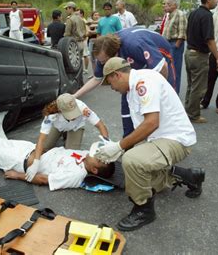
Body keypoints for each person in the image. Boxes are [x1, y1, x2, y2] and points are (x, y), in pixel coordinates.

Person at [94, 57, 205, 231]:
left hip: (176, 139)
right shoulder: (132, 88)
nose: (112, 89)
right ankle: (190, 176)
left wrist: (119, 147)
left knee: (131, 161)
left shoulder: (142, 83)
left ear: (116, 75)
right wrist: (121, 147)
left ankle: (144, 210)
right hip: (160, 138)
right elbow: (142, 128)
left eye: (110, 83)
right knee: (138, 171)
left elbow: (152, 123)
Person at [73, 28, 176, 137]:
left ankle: (165, 138)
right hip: (135, 64)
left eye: (103, 61)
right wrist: (75, 95)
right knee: (128, 96)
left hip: (160, 57)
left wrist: (155, 94)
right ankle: (128, 138)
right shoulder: (103, 54)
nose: (101, 63)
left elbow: (162, 67)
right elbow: (96, 79)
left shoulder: (134, 45)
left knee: (158, 101)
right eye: (100, 61)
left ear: (115, 54)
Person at [0, 132, 115, 190]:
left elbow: (43, 179)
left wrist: (17, 175)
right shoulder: (87, 155)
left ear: (94, 170)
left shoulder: (75, 175)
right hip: (31, 149)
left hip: (20, 162)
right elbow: (107, 145)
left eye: (100, 159)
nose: (97, 155)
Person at [30, 93, 109, 182]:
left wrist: (105, 144)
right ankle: (63, 134)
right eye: (69, 114)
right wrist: (36, 162)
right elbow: (41, 139)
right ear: (59, 110)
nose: (74, 117)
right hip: (58, 127)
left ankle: (67, 135)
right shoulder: (51, 115)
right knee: (44, 148)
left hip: (76, 127)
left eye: (74, 112)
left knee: (71, 153)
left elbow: (100, 125)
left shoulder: (83, 108)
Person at [184, 0, 218, 123]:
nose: (217, 1)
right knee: (198, 87)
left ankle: (188, 111)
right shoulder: (206, 16)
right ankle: (193, 115)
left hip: (189, 52)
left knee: (191, 85)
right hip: (199, 55)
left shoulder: (193, 13)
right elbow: (209, 39)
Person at [162, 0, 187, 94]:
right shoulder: (169, 15)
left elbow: (182, 32)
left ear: (175, 5)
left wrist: (176, 45)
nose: (166, 6)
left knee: (175, 70)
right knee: (168, 70)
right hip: (168, 44)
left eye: (168, 4)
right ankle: (169, 92)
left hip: (174, 44)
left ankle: (174, 93)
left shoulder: (180, 14)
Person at [78, 9, 90, 74]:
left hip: (84, 40)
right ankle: (81, 69)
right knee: (80, 55)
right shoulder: (79, 21)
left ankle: (86, 69)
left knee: (85, 54)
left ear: (82, 14)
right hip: (79, 40)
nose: (77, 15)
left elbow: (87, 31)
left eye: (78, 13)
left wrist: (84, 38)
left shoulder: (84, 21)